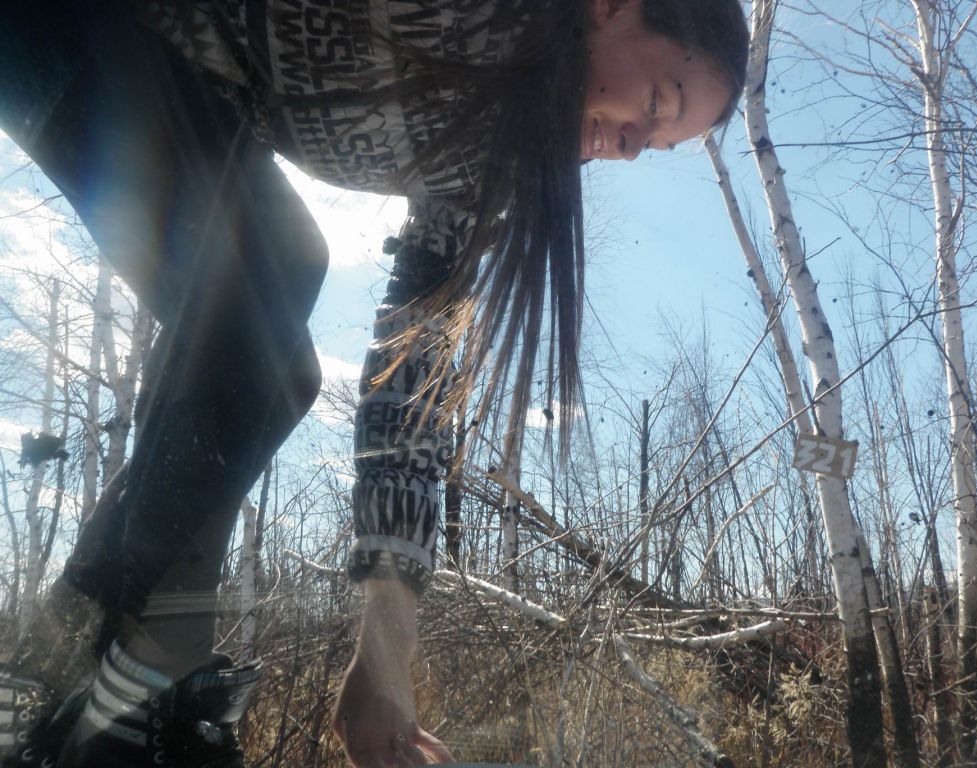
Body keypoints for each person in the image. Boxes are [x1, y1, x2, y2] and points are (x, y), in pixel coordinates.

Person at [0, 0, 747, 766]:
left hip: (165, 86)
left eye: (657, 144)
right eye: (657, 103)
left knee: (278, 363)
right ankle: (146, 692)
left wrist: (387, 659)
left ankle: (38, 687)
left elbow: (413, 385)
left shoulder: (490, 165)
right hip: (77, 28)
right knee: (272, 275)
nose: (630, 148)